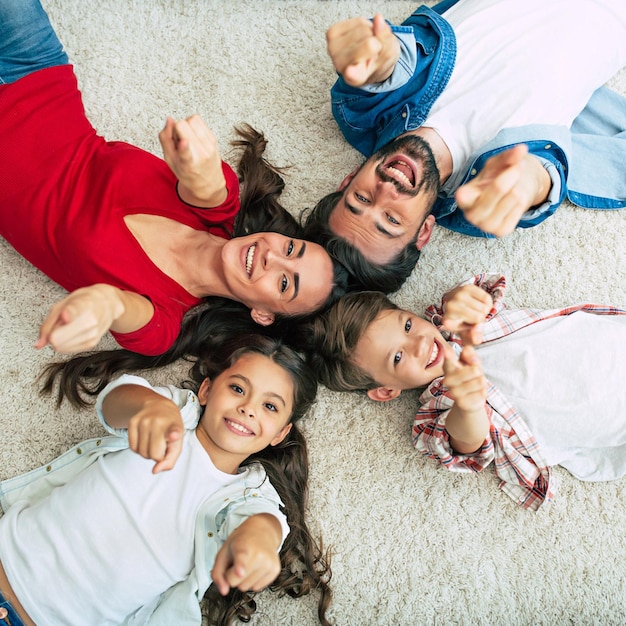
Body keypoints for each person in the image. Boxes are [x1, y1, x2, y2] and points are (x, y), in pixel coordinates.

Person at [0, 0, 347, 357]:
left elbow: (116, 306)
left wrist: (99, 306)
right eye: (291, 248)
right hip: (32, 70)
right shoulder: (221, 205)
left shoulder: (162, 323)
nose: (272, 258)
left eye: (285, 282)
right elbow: (205, 183)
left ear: (263, 315)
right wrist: (198, 164)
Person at [0, 334, 333, 625]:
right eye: (237, 388)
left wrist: (255, 545)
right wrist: (150, 406)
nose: (248, 408)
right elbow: (115, 402)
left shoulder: (248, 492)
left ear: (281, 433)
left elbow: (266, 524)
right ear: (206, 390)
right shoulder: (179, 413)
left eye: (270, 407)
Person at [303, 0, 626, 292]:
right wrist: (528, 182)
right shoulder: (477, 200)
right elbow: (540, 179)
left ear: (347, 181)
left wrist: (378, 55)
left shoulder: (362, 114)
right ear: (423, 231)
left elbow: (390, 68)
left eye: (361, 197)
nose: (387, 189)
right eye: (391, 219)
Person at [303, 274, 626, 510]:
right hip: (609, 411)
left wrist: (462, 296)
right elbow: (465, 444)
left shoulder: (453, 324)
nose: (419, 344)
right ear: (387, 391)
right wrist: (469, 408)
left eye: (407, 326)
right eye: (398, 357)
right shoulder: (440, 404)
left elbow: (478, 293)